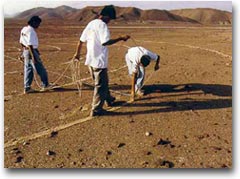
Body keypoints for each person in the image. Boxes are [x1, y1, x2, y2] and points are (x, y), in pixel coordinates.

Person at [73, 5, 130, 117]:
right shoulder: (102, 25)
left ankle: (109, 99)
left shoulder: (91, 23)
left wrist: (77, 54)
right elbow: (105, 42)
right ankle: (96, 110)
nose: (109, 21)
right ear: (106, 16)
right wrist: (120, 38)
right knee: (100, 85)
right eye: (110, 18)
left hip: (90, 60)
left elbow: (81, 41)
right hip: (98, 61)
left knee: (102, 83)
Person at [19, 16, 49, 94]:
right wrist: (33, 57)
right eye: (38, 23)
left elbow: (22, 42)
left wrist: (23, 53)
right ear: (33, 22)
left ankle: (27, 87)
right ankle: (45, 85)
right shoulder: (31, 31)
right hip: (31, 51)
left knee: (28, 70)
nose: (38, 25)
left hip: (26, 51)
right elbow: (30, 44)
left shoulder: (24, 29)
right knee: (40, 69)